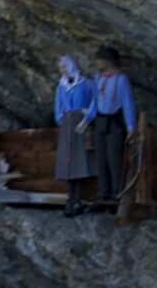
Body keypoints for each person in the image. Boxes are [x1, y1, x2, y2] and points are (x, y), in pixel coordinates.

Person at [89, 47, 138, 206]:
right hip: (100, 120)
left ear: (108, 61)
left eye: (99, 59)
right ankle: (104, 193)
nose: (96, 63)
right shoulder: (98, 78)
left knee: (114, 158)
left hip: (114, 121)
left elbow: (127, 103)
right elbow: (94, 102)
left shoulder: (120, 79)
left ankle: (117, 192)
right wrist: (87, 120)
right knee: (101, 158)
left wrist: (131, 126)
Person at [52, 54, 97, 214]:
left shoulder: (87, 84)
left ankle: (78, 199)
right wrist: (61, 120)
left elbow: (95, 102)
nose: (62, 71)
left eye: (64, 67)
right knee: (68, 163)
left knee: (80, 162)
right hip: (67, 125)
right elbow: (58, 108)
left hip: (81, 125)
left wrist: (87, 118)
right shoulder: (61, 86)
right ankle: (71, 200)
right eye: (60, 68)